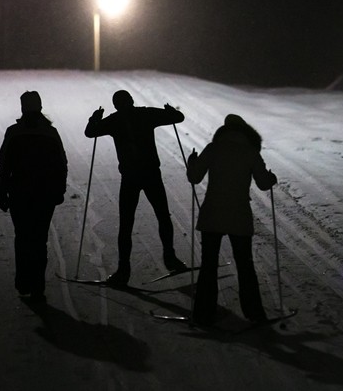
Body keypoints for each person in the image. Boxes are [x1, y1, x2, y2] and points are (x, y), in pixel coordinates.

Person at [84, 90, 187, 287]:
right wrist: (170, 110)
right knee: (163, 215)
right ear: (131, 101)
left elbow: (90, 132)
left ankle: (124, 270)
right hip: (150, 173)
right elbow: (178, 118)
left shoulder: (114, 120)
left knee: (126, 223)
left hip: (130, 176)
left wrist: (94, 118)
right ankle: (170, 257)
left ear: (115, 105)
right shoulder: (145, 114)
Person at [186, 114, 277, 326]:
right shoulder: (251, 152)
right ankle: (255, 313)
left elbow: (194, 177)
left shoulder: (213, 148)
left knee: (209, 265)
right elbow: (264, 184)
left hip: (212, 213)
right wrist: (272, 178)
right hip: (239, 215)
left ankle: (203, 314)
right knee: (245, 264)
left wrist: (192, 162)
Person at [0, 91, 68, 303]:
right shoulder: (50, 133)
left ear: (22, 108)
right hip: (44, 194)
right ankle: (38, 284)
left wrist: (2, 191)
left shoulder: (14, 132)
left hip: (19, 193)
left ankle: (23, 281)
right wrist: (60, 190)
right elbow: (61, 164)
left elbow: (4, 164)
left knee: (22, 238)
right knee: (39, 239)